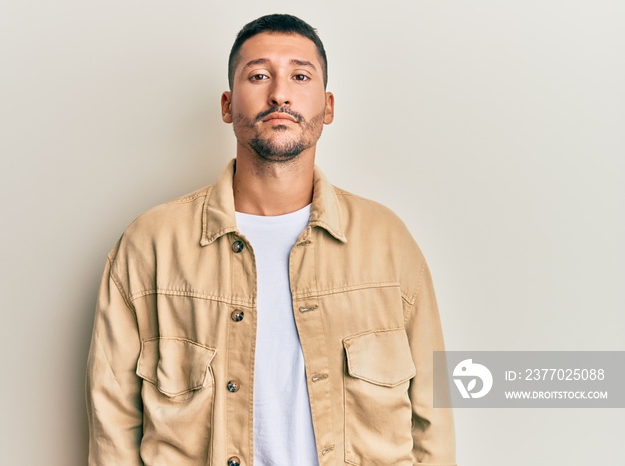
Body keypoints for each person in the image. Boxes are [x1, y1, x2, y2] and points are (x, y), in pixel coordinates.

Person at [86, 13, 456, 466]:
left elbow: (433, 419)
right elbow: (113, 424)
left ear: (329, 106)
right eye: (259, 75)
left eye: (300, 76)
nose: (279, 93)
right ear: (227, 105)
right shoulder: (150, 246)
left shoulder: (388, 243)